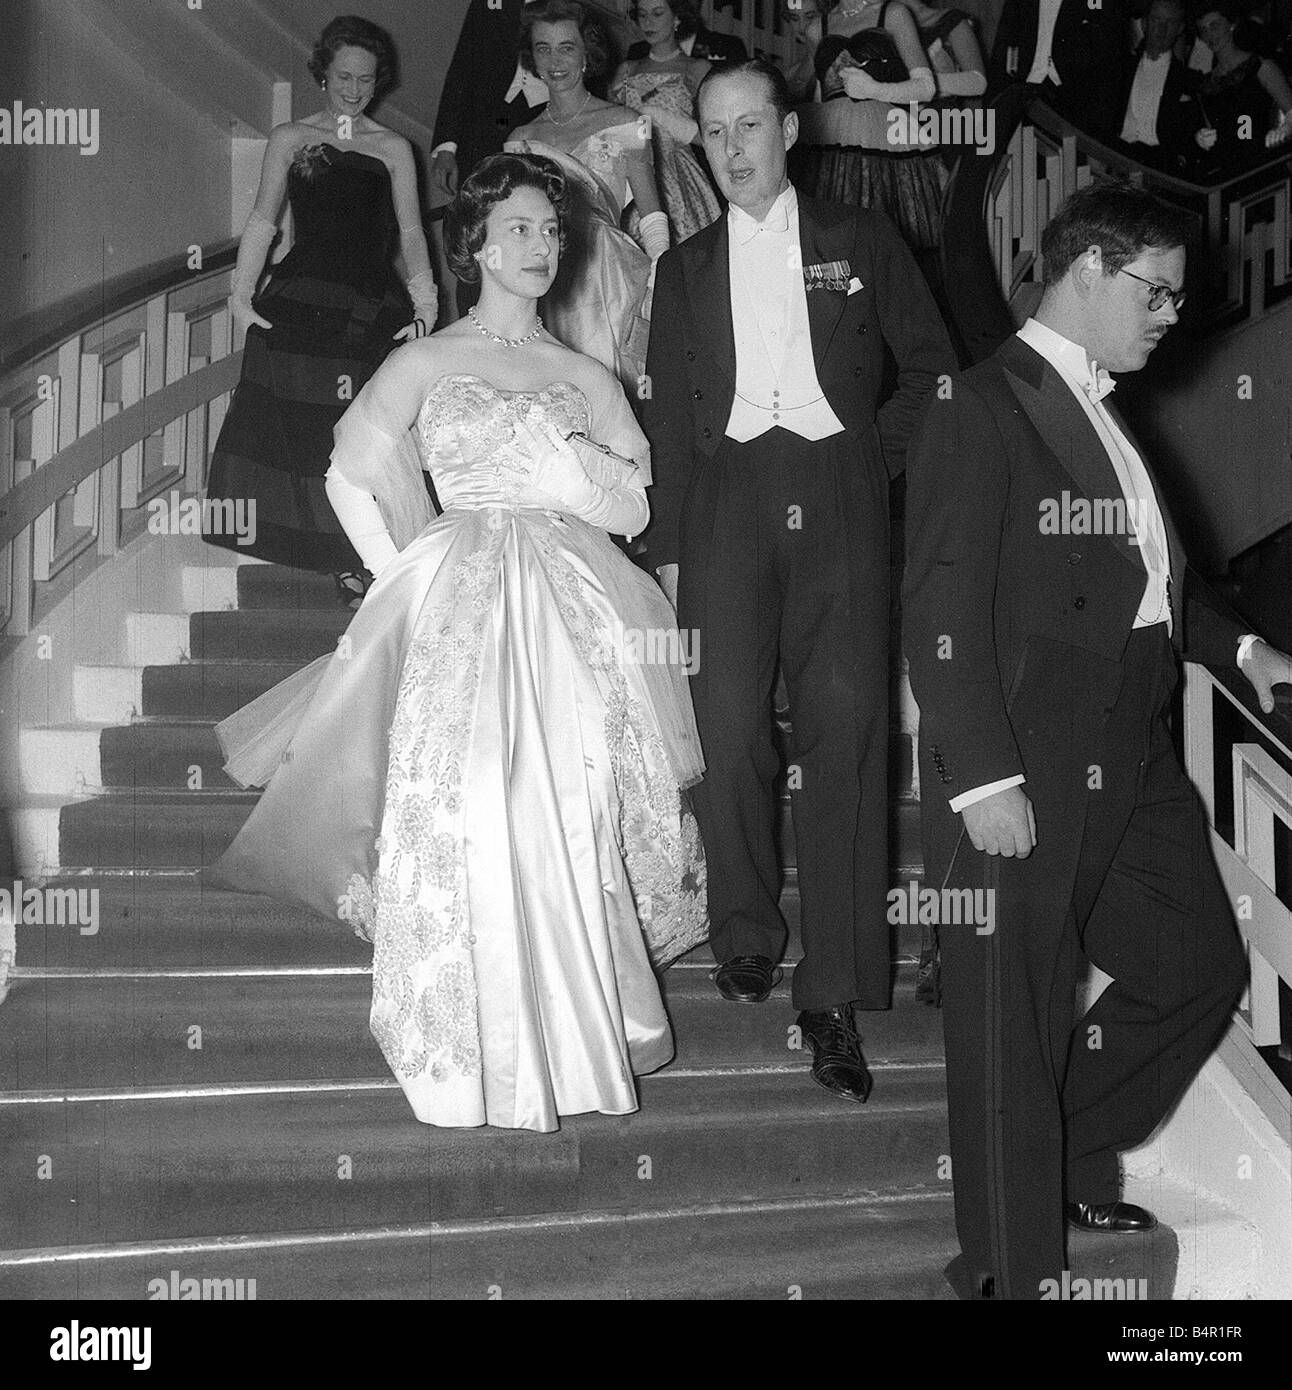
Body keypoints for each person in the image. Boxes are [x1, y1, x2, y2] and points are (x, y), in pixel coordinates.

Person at [210, 152, 707, 1132]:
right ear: (473, 242)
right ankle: (460, 1048)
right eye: (517, 228)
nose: (538, 246)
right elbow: (351, 469)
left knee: (575, 800)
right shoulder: (424, 360)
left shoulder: (583, 371)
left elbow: (634, 496)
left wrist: (570, 482)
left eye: (550, 230)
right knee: (470, 796)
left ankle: (576, 1041)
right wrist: (401, 565)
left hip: (572, 595)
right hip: (459, 592)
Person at [904, 179, 1292, 1298]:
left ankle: (1071, 1145)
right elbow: (936, 602)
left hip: (1127, 741)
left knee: (1197, 963)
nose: (1171, 313)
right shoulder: (981, 406)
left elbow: (1153, 577)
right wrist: (980, 774)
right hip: (1020, 747)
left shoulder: (1103, 411)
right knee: (1006, 1021)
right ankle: (1004, 1271)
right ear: (1086, 270)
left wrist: (1244, 656)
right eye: (1156, 290)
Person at [641, 60, 955, 1102]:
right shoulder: (681, 268)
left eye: (749, 127)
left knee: (848, 733)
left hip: (839, 495)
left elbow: (931, 370)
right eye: (713, 133)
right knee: (727, 727)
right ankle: (742, 925)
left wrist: (869, 457)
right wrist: (675, 552)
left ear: (788, 131)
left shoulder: (861, 242)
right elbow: (667, 427)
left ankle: (832, 993)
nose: (732, 149)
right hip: (726, 504)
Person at [204, 16, 436, 608]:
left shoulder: (392, 147)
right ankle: (330, 559)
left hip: (369, 302)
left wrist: (426, 302)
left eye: (365, 78)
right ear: (322, 74)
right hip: (303, 297)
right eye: (343, 77)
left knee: (363, 435)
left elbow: (412, 230)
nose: (354, 90)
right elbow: (263, 219)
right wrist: (240, 292)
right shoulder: (289, 137)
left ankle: (366, 560)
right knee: (303, 431)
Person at [507, 0, 669, 394]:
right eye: (543, 48)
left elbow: (652, 216)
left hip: (608, 277)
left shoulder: (626, 124)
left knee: (611, 393)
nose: (555, 60)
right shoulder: (519, 141)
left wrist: (663, 281)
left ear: (586, 53)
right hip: (544, 277)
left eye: (567, 47)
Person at [789, 1, 947, 261]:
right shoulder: (818, 28)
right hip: (831, 139)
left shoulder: (893, 13)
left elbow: (926, 87)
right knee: (829, 243)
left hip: (884, 136)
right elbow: (820, 90)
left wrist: (875, 90)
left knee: (883, 247)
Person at [429, 0, 548, 319]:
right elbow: (463, 65)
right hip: (483, 136)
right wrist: (446, 147)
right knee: (478, 241)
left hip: (543, 128)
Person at [610, 1, 723, 242]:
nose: (648, 22)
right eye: (642, 15)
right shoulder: (627, 71)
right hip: (631, 171)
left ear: (677, 18)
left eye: (657, 13)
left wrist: (666, 120)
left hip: (678, 173)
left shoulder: (697, 69)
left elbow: (717, 137)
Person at [990, 0, 1134, 140]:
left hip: (1073, 108)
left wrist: (1101, 140)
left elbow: (1109, 72)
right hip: (1022, 101)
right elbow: (1000, 59)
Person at [1192, 1, 1292, 175]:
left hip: (1263, 164)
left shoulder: (1261, 66)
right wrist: (1201, 137)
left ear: (1232, 24)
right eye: (1203, 29)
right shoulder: (1207, 83)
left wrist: (1284, 129)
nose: (1209, 34)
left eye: (1214, 25)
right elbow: (1211, 128)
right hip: (1225, 168)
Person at [1117, 0, 1201, 173]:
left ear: (1180, 29)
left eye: (1170, 23)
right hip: (1117, 158)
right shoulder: (1120, 68)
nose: (1162, 29)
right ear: (1144, 23)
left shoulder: (1189, 80)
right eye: (1156, 20)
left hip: (1160, 167)